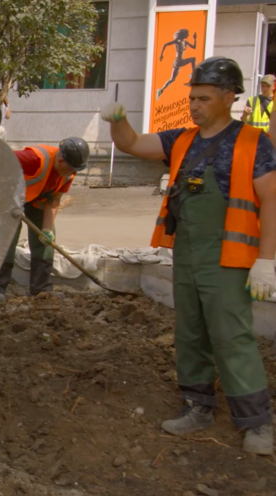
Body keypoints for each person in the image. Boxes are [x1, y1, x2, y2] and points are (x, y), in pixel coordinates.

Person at [101, 56, 274, 455]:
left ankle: (257, 422)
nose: (194, 105)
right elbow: (130, 143)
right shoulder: (182, 139)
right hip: (188, 252)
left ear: (229, 98)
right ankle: (197, 405)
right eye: (192, 97)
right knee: (190, 331)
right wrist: (116, 121)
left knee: (231, 335)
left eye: (204, 98)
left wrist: (267, 260)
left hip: (229, 256)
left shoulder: (251, 142)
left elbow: (271, 198)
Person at [0, 137, 90, 301]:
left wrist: (47, 230)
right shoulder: (34, 159)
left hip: (37, 200)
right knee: (8, 237)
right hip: (9, 198)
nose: (73, 173)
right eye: (71, 168)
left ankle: (41, 289)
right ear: (60, 160)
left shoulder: (69, 173)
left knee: (46, 241)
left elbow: (54, 201)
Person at [156, 29, 198, 100]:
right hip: (178, 61)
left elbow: (194, 47)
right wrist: (161, 54)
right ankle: (193, 74)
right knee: (193, 59)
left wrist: (195, 39)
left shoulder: (185, 42)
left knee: (172, 79)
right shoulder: (177, 41)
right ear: (183, 34)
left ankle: (161, 90)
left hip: (178, 62)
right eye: (187, 34)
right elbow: (165, 44)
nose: (188, 35)